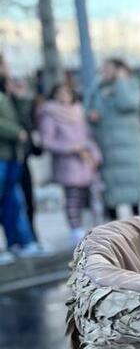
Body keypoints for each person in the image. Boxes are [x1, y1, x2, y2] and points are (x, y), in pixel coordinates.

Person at [38, 80, 102, 245]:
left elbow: (88, 135)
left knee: (93, 197)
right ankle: (76, 232)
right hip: (68, 163)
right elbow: (47, 141)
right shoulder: (49, 114)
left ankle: (95, 230)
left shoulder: (79, 111)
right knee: (73, 199)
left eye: (67, 92)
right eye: (60, 93)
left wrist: (94, 155)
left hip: (86, 161)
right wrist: (71, 148)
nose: (64, 96)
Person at [87, 58, 140, 219]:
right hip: (106, 144)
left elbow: (128, 103)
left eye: (109, 68)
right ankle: (113, 225)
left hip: (128, 144)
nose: (105, 72)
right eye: (104, 68)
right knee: (110, 186)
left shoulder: (130, 84)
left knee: (133, 182)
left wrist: (121, 81)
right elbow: (87, 108)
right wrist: (91, 115)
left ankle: (137, 219)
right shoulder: (97, 88)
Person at [0, 70, 44, 258]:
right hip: (4, 155)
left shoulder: (8, 99)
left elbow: (23, 116)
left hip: (11, 156)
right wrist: (17, 132)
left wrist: (19, 98)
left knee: (14, 201)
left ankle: (18, 243)